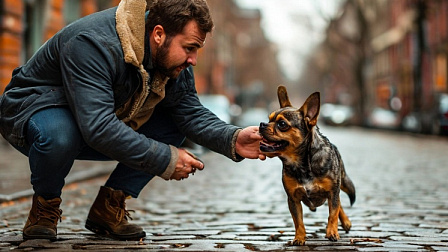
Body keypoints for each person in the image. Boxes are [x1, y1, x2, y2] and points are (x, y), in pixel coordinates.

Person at [0, 0, 265, 241]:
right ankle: (44, 208)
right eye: (189, 48)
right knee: (60, 134)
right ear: (159, 34)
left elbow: (190, 112)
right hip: (33, 112)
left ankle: (108, 208)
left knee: (172, 121)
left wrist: (233, 138)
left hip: (91, 121)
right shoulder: (93, 42)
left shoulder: (170, 60)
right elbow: (99, 127)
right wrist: (165, 159)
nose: (193, 60)